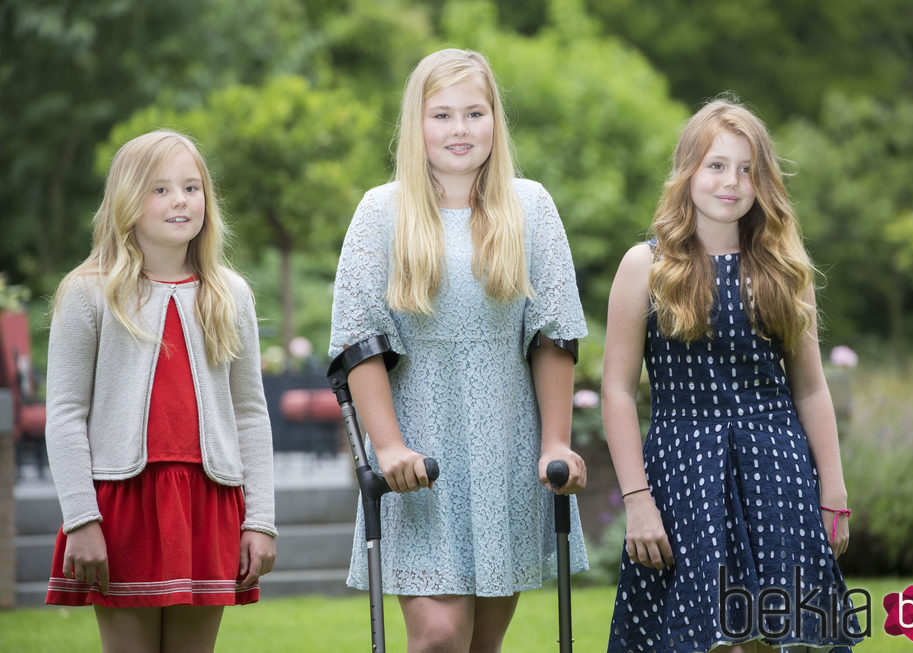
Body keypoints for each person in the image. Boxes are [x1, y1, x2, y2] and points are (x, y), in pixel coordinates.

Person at [329, 48, 588, 652]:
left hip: (506, 447)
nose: (460, 129)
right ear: (416, 126)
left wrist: (556, 442)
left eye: (475, 113)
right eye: (441, 114)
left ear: (495, 122)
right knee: (440, 637)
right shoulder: (381, 212)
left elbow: (552, 335)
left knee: (481, 645)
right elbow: (358, 342)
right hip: (419, 457)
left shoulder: (531, 208)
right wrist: (387, 444)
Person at [602, 96, 863, 652]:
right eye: (716, 165)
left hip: (778, 465)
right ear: (687, 172)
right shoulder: (644, 267)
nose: (732, 181)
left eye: (747, 169)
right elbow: (619, 391)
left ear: (762, 181)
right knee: (703, 638)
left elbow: (812, 389)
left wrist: (833, 490)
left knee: (774, 632)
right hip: (683, 468)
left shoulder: (784, 270)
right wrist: (636, 498)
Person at [44, 129, 277, 653]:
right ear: (127, 200)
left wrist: (260, 520)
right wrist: (81, 518)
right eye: (160, 189)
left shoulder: (230, 295)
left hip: (209, 504)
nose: (180, 201)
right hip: (122, 507)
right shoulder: (88, 293)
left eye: (192, 188)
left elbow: (250, 414)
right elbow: (63, 413)